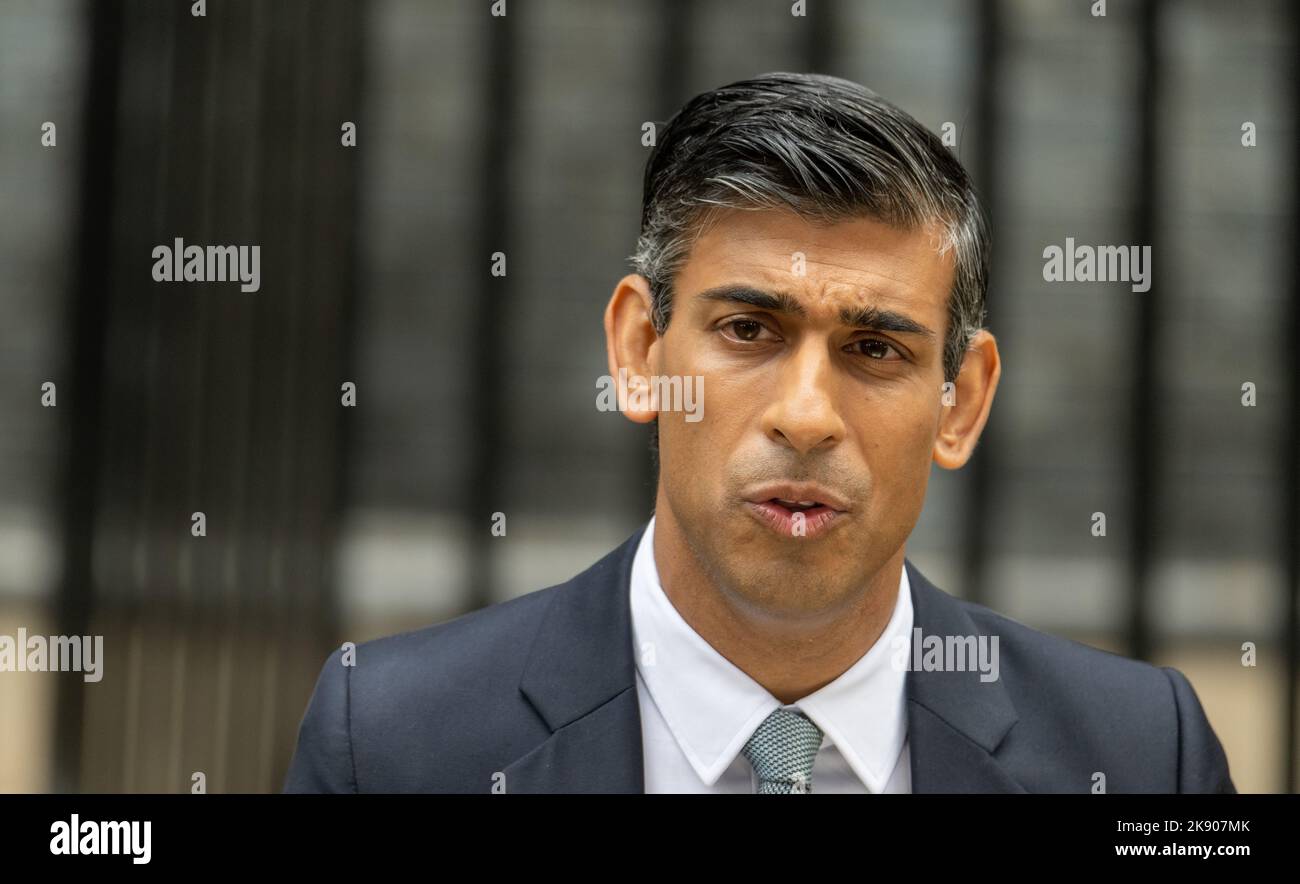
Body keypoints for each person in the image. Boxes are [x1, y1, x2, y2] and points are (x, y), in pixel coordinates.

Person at [284, 72, 1235, 794]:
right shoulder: (395, 743)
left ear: (963, 402)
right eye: (749, 331)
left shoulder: (1143, 756)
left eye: (874, 349)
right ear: (638, 350)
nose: (807, 416)